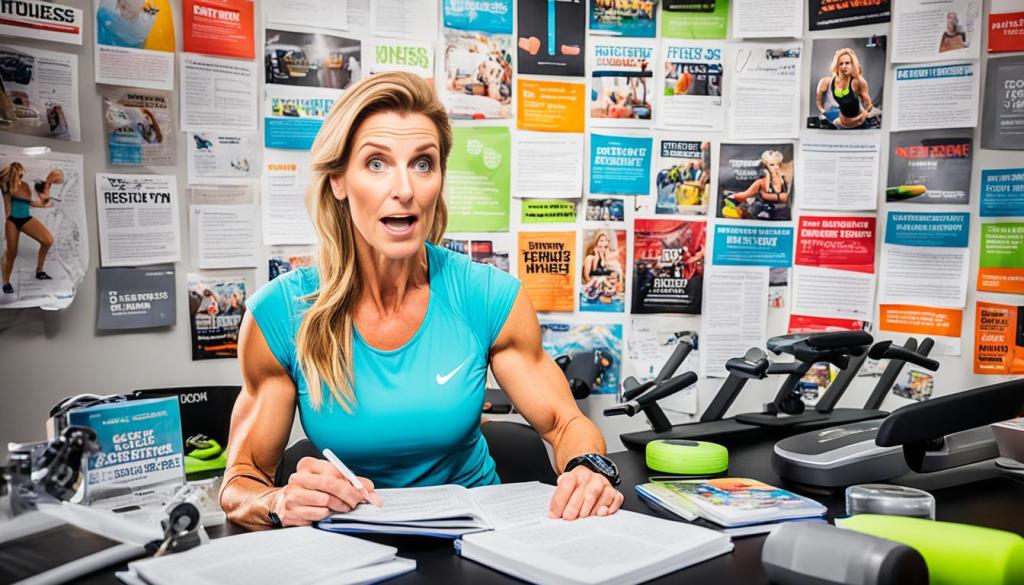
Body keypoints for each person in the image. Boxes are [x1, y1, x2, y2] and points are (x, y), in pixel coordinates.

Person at [220, 72, 623, 530]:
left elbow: (566, 424)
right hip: (354, 542)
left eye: (423, 163)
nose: (405, 189)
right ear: (338, 181)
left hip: (476, 537)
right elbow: (241, 481)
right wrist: (277, 501)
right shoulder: (279, 314)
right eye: (376, 163)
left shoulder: (488, 296)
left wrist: (587, 468)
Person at [2, 163, 57, 294]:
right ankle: (5, 282)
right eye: (17, 172)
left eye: (21, 172)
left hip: (25, 218)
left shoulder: (26, 186)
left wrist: (45, 200)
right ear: (12, 172)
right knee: (11, 254)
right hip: (12, 220)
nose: (20, 174)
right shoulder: (6, 184)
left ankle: (39, 271)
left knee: (48, 240)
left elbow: (31, 203)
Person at [815, 47, 873, 129]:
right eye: (841, 64)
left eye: (847, 63)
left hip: (858, 124)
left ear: (852, 64)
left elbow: (868, 104)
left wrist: (864, 115)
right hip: (838, 123)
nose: (844, 66)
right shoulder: (827, 82)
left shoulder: (858, 81)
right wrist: (825, 113)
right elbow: (818, 101)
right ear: (837, 65)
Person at [725, 149, 791, 221]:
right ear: (766, 166)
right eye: (772, 165)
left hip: (780, 214)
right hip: (761, 212)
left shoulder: (783, 178)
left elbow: (785, 197)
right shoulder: (760, 182)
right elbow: (746, 194)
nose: (776, 167)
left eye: (778, 164)